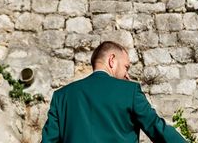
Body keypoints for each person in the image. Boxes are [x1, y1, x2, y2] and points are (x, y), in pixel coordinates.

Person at [41, 40, 187, 143]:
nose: (127, 75)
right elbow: (157, 128)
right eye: (126, 67)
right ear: (112, 60)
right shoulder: (130, 91)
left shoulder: (61, 97)